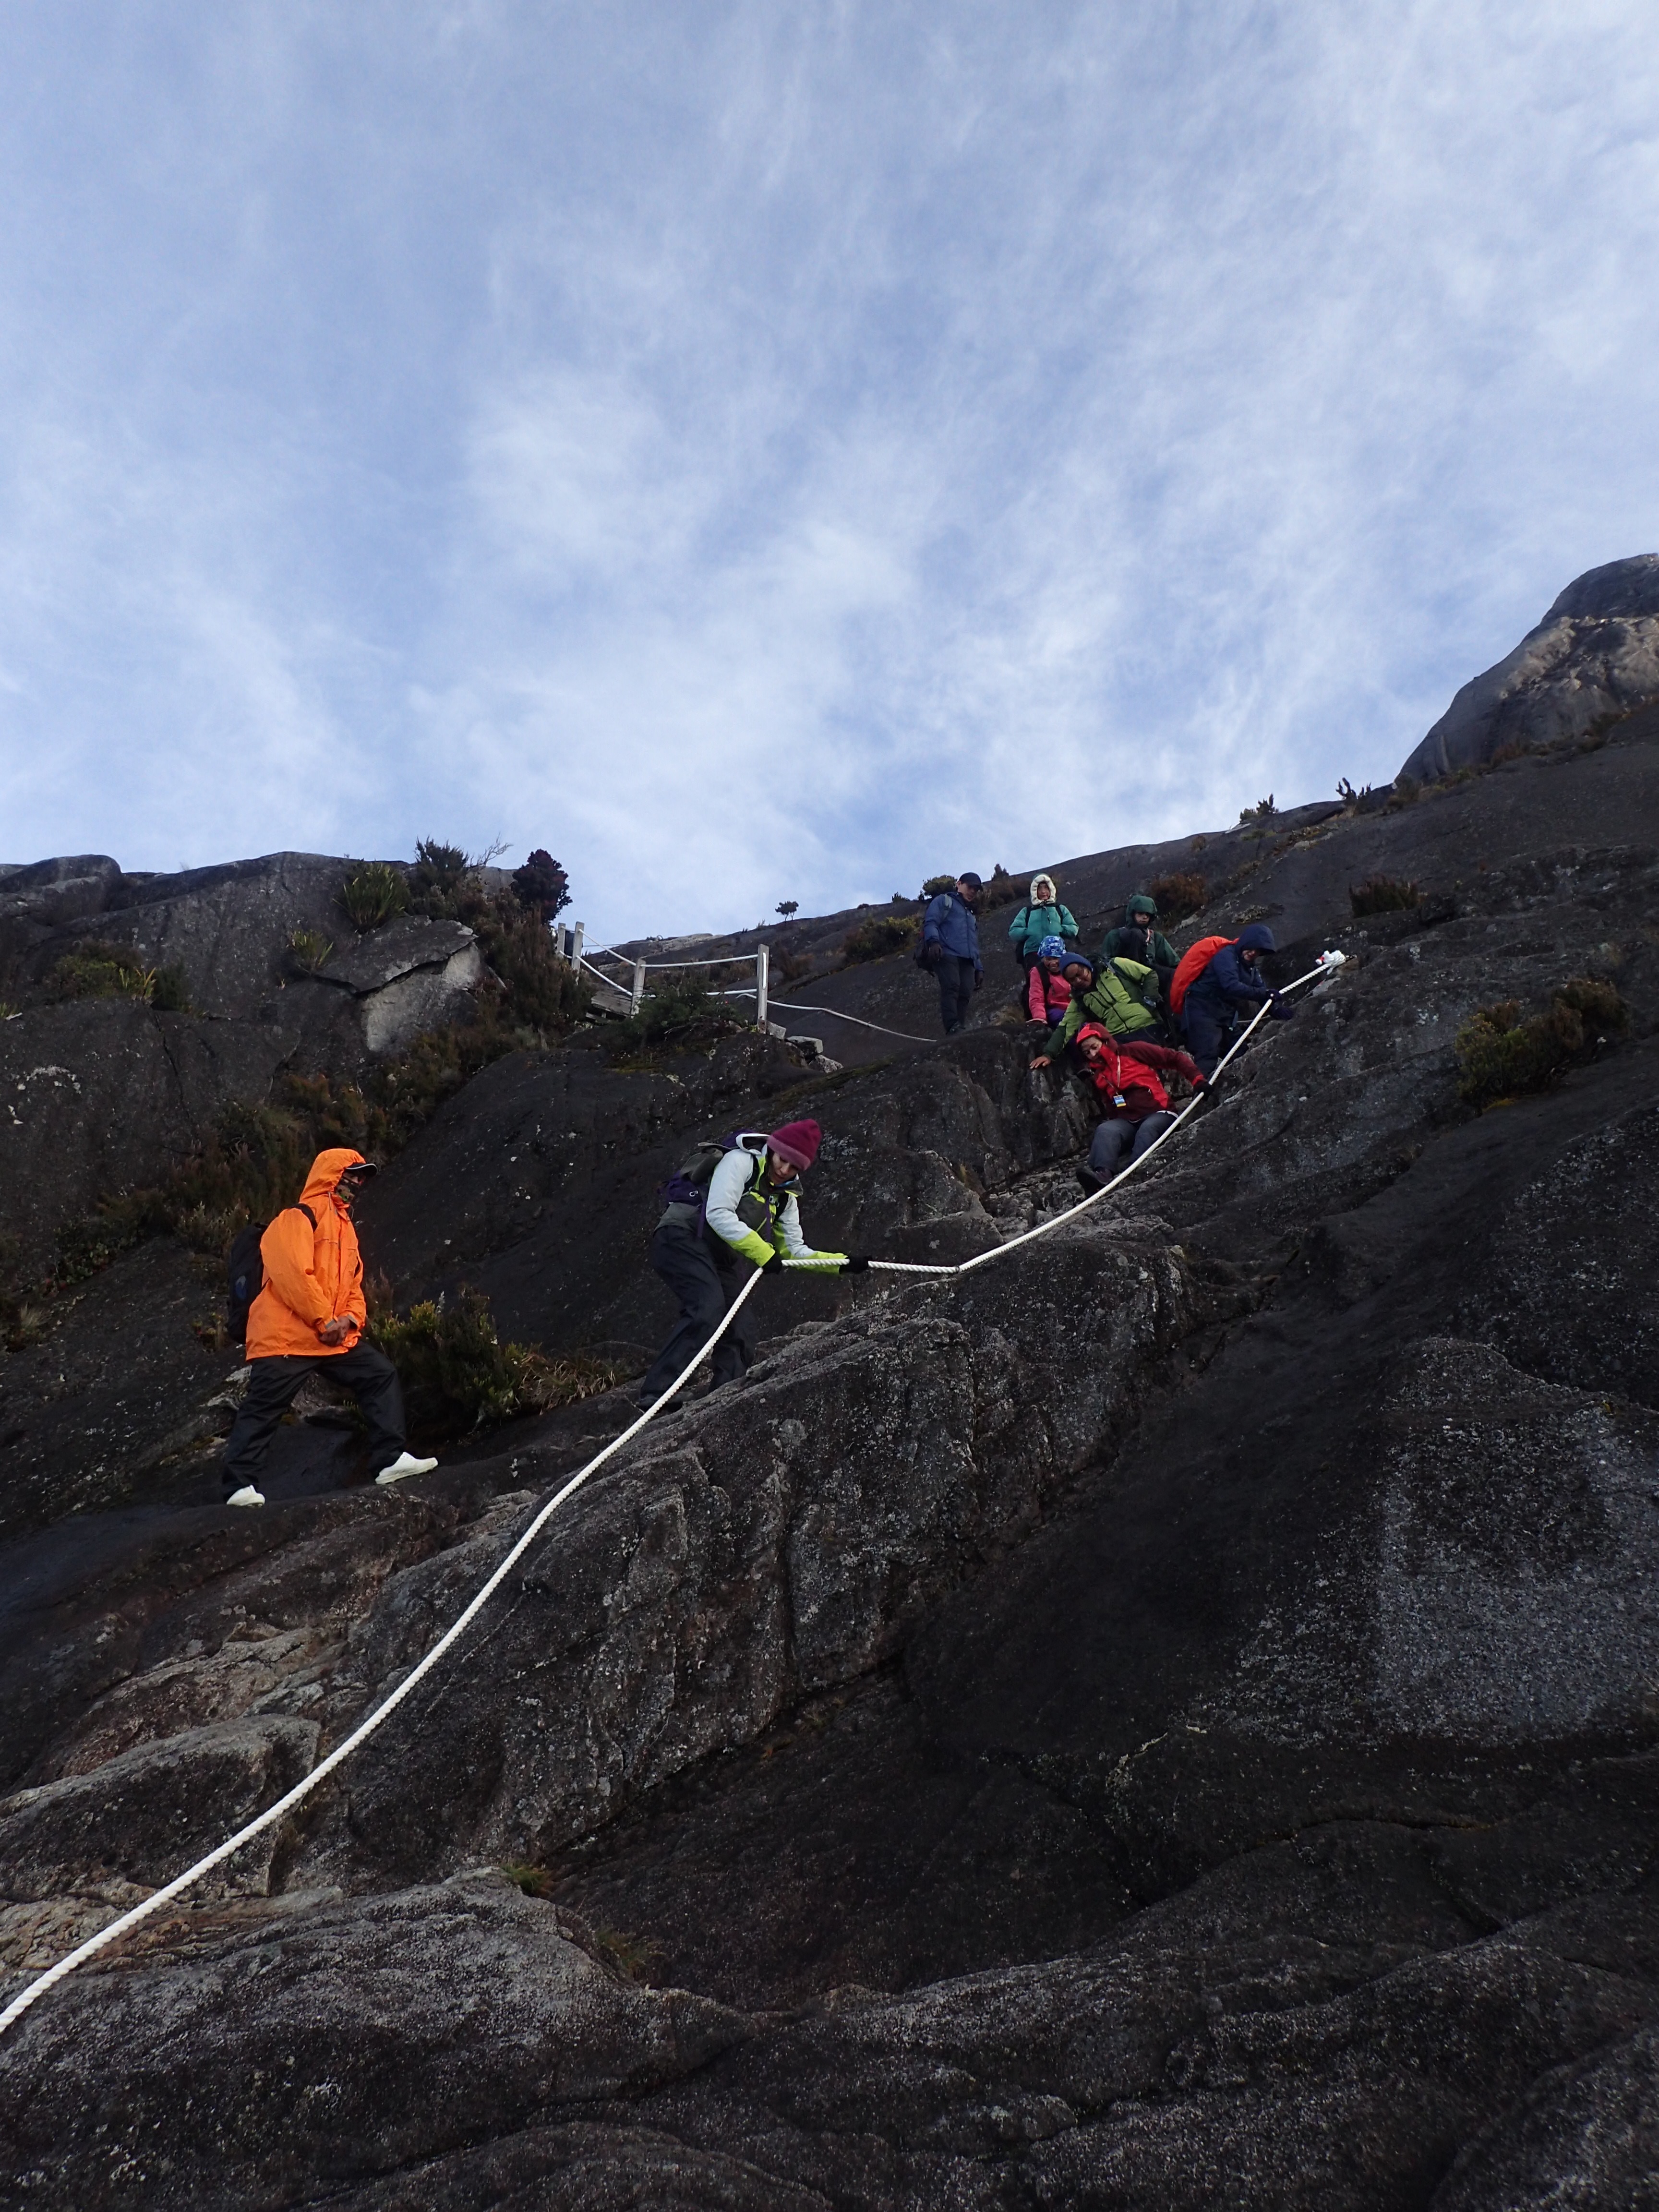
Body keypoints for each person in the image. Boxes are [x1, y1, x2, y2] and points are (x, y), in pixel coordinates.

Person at [218, 1148, 436, 1509]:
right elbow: (292, 1274)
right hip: (286, 1336)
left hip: (329, 1337)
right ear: (330, 1176)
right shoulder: (297, 1217)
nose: (356, 1183)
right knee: (264, 1408)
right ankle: (238, 1488)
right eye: (351, 1175)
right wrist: (324, 1320)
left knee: (379, 1374)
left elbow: (354, 1285)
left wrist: (351, 1320)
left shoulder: (346, 1230)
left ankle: (389, 1460)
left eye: (360, 1178)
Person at [637, 1120, 864, 1411]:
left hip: (721, 1254)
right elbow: (718, 1213)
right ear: (773, 1149)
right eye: (782, 1160)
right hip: (681, 1236)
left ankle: (720, 1402)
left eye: (794, 1167)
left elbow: (795, 1250)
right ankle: (658, 1393)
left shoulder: (786, 1199)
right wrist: (765, 1254)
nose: (784, 1170)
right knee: (707, 1307)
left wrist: (843, 1264)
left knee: (741, 1328)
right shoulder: (740, 1161)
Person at [1063, 1022, 1207, 1190]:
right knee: (1106, 1130)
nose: (1093, 1055)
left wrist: (1198, 1080)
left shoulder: (1133, 1051)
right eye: (1087, 1053)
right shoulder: (1100, 1075)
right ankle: (1102, 1175)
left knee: (1148, 1130)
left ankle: (1132, 1174)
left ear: (1106, 1040)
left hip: (1160, 1113)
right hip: (1128, 1122)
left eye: (1095, 1047)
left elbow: (1174, 1058)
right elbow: (1110, 1106)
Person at [1178, 921, 1294, 1075]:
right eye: (1252, 947)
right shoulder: (1226, 956)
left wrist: (1276, 1010)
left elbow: (1261, 990)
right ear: (1246, 942)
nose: (1253, 953)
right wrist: (1265, 994)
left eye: (1258, 951)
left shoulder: (1250, 968)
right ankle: (1198, 1088)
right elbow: (1231, 986)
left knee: (1240, 1051)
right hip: (1201, 1009)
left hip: (1225, 1014)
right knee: (1207, 1052)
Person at [1035, 950, 1167, 1058]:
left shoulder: (1115, 966)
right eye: (1073, 980)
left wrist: (1149, 1002)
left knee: (1153, 1058)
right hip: (1118, 1037)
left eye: (1080, 974)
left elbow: (1149, 975)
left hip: (1147, 1025)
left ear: (1086, 965)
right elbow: (1065, 1028)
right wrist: (1048, 1054)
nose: (1079, 980)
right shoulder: (1079, 1000)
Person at [920, 872, 984, 1034]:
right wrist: (933, 942)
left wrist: (979, 967)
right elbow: (931, 921)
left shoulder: (970, 914)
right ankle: (952, 1026)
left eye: (976, 890)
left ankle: (959, 1028)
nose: (973, 892)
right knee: (951, 986)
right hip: (946, 952)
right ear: (959, 884)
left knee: (965, 992)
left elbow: (973, 942)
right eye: (970, 887)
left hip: (967, 959)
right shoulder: (944, 901)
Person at [1095, 894, 1179, 988]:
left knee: (1174, 975)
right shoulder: (1115, 936)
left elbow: (1174, 962)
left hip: (1150, 976)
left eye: (1147, 915)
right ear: (1132, 914)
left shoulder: (1156, 937)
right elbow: (1105, 963)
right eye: (1141, 914)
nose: (1144, 917)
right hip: (1123, 977)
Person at [1007, 874, 1080, 970]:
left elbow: (1073, 929)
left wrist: (1060, 929)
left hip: (1057, 954)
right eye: (1039, 888)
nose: (1043, 891)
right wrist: (1028, 932)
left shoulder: (1060, 909)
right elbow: (1014, 931)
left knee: (1059, 980)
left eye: (1046, 887)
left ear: (1051, 889)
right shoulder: (1027, 911)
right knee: (1036, 979)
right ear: (1034, 891)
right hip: (1033, 954)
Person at [1023, 935, 1073, 1032]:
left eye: (1056, 958)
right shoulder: (1038, 972)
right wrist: (1040, 1019)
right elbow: (1036, 998)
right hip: (1055, 1011)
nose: (1053, 963)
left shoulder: (1071, 967)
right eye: (1049, 959)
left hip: (1076, 1008)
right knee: (1068, 1023)